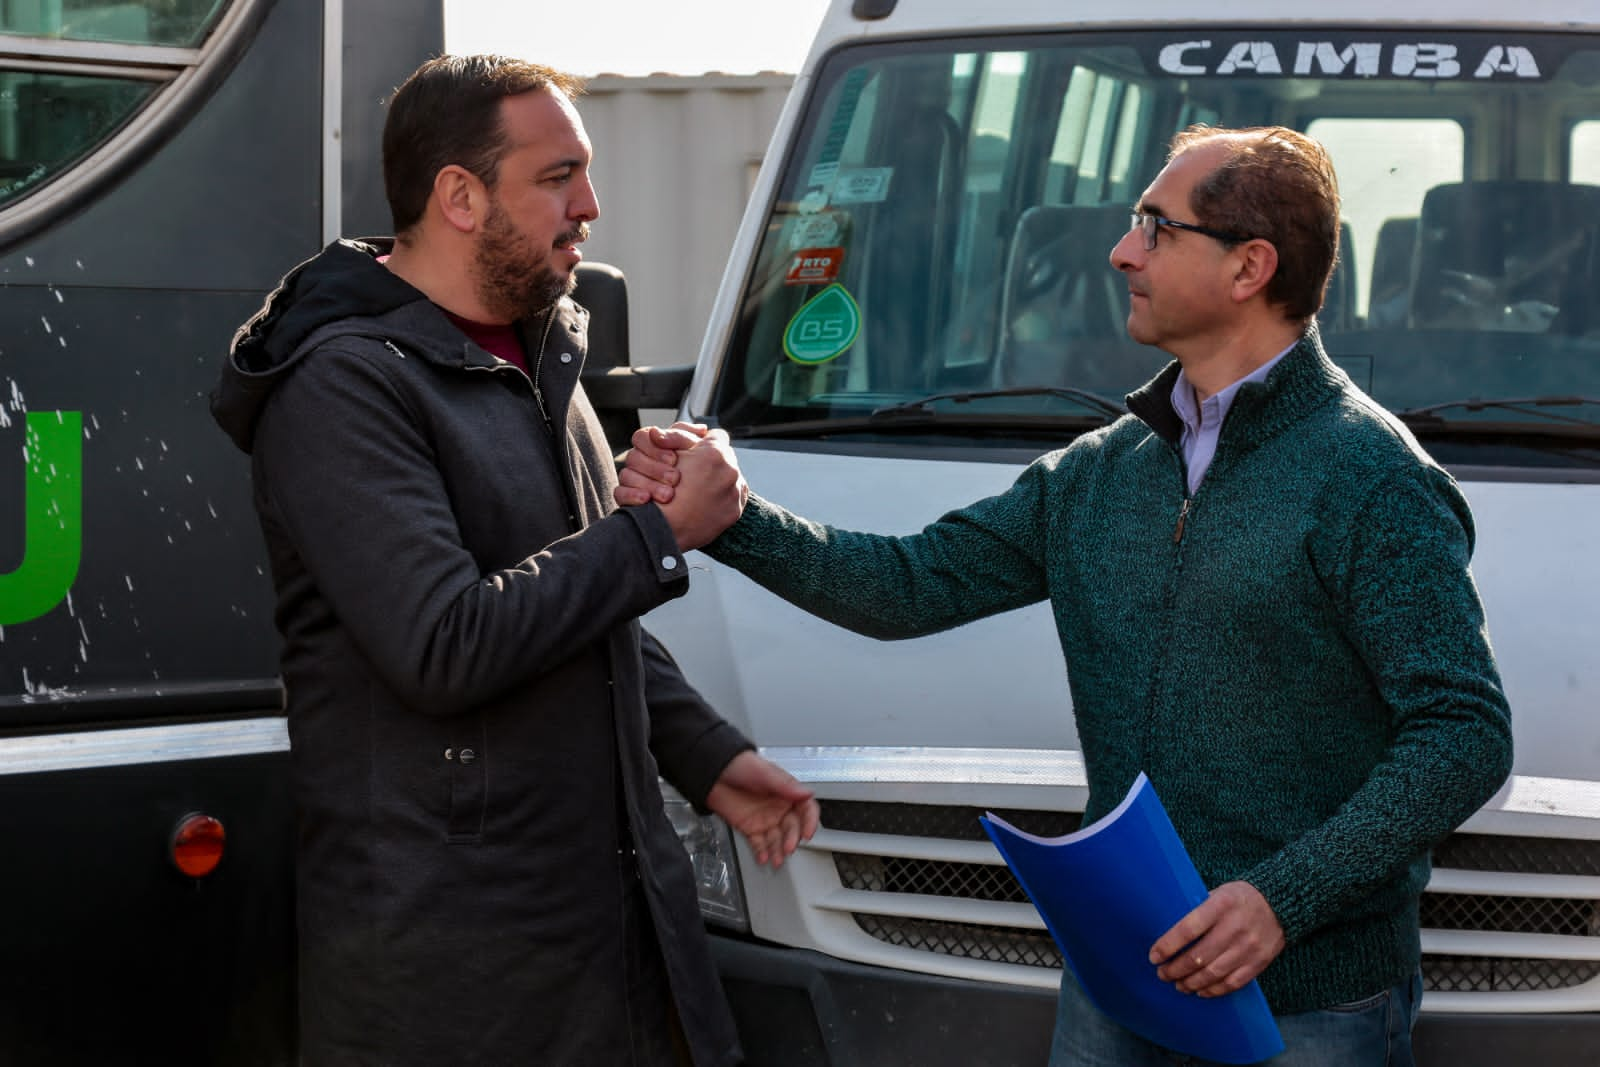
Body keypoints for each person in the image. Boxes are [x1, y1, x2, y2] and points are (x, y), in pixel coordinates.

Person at [616, 126, 1513, 1066]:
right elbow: (907, 585)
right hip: (1117, 985)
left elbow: (1463, 732)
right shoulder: (1101, 472)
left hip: (1308, 1010)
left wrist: (1281, 900)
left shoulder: (1370, 476)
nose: (1123, 251)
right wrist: (733, 516)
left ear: (1250, 266)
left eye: (1157, 228)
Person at [210, 54, 817, 1066]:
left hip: (606, 946)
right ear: (458, 194)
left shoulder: (537, 355)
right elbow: (444, 642)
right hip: (457, 980)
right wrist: (657, 533)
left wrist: (704, 754)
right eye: (556, 177)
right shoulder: (343, 387)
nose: (589, 205)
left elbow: (572, 615)